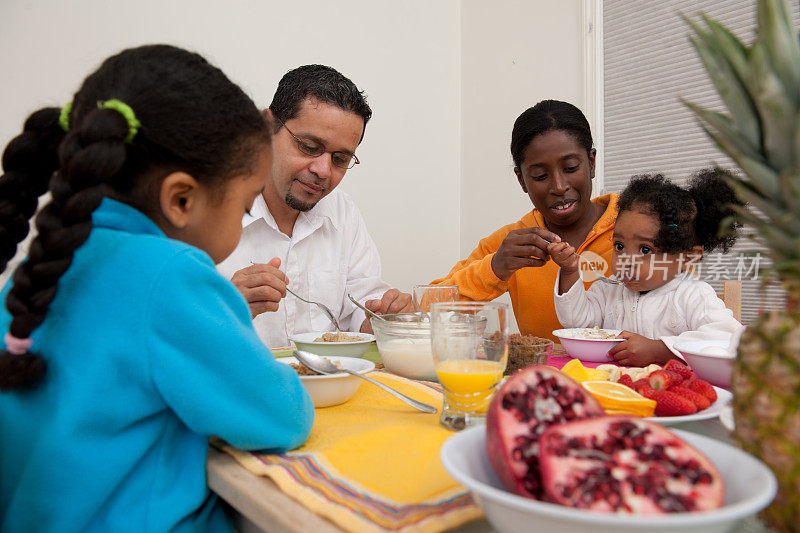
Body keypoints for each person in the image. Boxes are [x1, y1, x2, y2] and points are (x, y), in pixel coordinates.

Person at [0, 44, 314, 532]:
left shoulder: (36, 271)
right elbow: (282, 417)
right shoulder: (172, 274)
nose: (246, 219)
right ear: (181, 199)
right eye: (246, 205)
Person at [217, 65, 411, 347]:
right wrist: (222, 306)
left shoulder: (342, 213)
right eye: (309, 146)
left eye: (340, 159)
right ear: (267, 127)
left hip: (331, 385)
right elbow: (161, 335)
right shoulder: (211, 208)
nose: (323, 170)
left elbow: (363, 317)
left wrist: (386, 318)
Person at [429, 100, 618, 340]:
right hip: (542, 377)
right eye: (540, 176)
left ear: (591, 162)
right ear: (521, 180)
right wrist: (495, 268)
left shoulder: (642, 225)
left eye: (570, 167)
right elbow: (430, 307)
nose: (559, 187)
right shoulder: (513, 243)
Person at [549, 170, 745, 367]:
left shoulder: (693, 294)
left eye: (645, 249)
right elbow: (576, 324)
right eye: (619, 246)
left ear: (688, 257)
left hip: (671, 391)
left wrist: (660, 350)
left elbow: (728, 339)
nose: (626, 261)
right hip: (617, 390)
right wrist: (570, 271)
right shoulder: (609, 289)